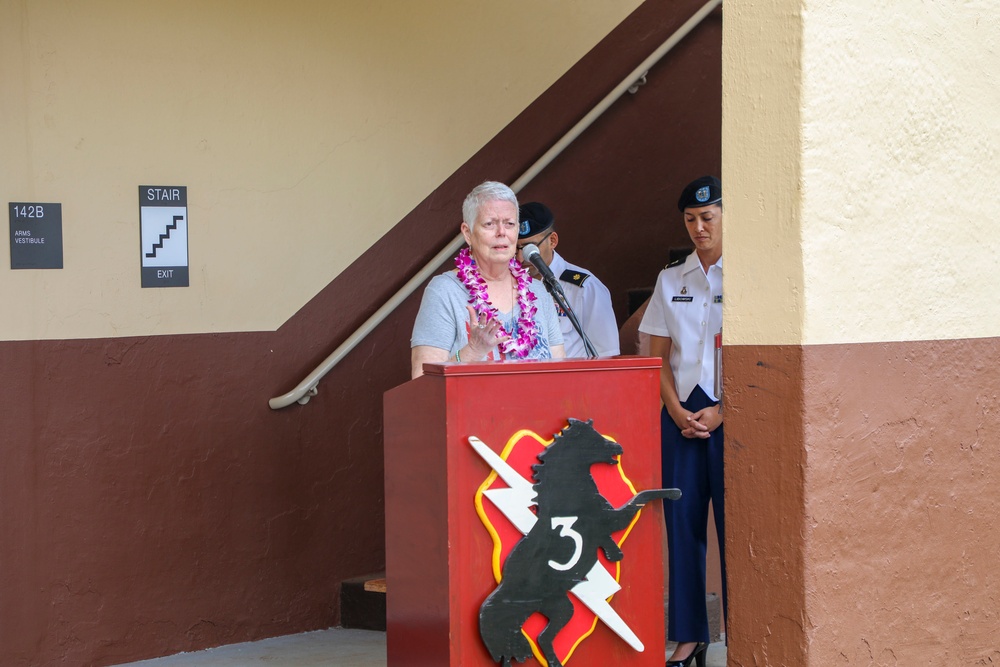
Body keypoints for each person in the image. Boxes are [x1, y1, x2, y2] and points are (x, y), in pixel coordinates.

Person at [638, 176, 725, 667]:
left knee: (734, 529)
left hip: (728, 419)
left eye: (707, 217)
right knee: (683, 526)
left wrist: (724, 411)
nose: (698, 227)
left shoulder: (749, 274)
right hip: (681, 418)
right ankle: (689, 636)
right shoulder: (672, 279)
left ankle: (741, 627)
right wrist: (673, 409)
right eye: (690, 220)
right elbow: (657, 357)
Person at [410, 181, 565, 379]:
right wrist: (473, 351)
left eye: (509, 224)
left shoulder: (540, 292)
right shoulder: (444, 291)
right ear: (468, 233)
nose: (501, 232)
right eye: (490, 224)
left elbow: (561, 373)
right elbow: (422, 381)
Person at [515, 202, 620, 358]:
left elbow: (606, 354)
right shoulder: (510, 285)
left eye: (530, 248)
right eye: (515, 248)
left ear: (552, 241)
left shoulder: (583, 287)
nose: (521, 257)